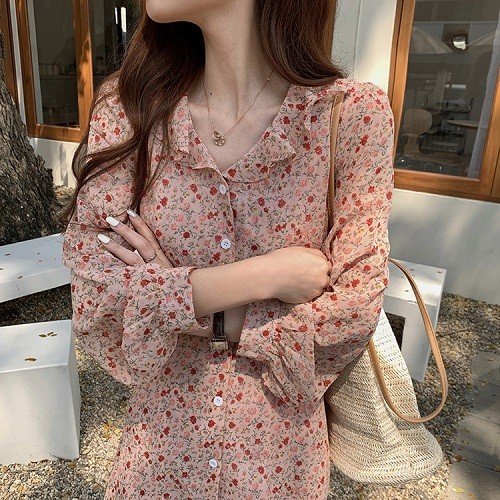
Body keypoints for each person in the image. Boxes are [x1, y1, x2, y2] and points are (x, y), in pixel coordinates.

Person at [60, 0, 395, 498]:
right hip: (159, 461)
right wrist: (268, 276)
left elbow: (352, 314)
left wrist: (170, 290)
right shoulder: (129, 110)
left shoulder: (349, 117)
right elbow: (98, 298)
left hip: (278, 470)